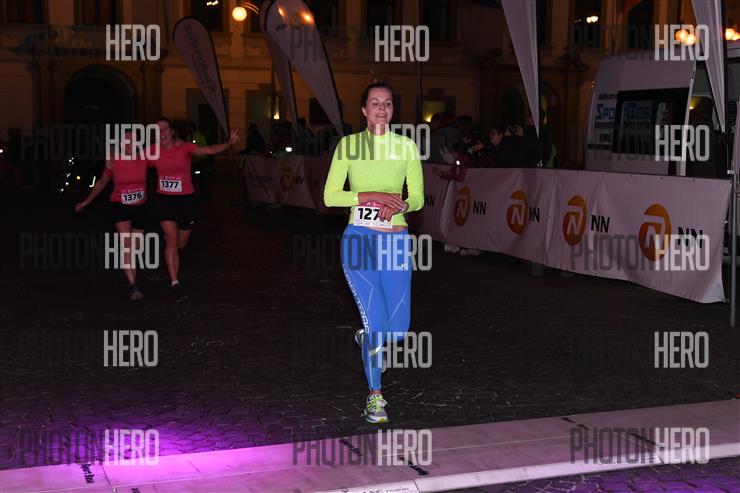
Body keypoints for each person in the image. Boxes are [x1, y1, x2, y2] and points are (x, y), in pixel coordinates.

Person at [323, 81, 424, 423]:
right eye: (375, 103)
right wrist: (370, 196)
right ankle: (375, 396)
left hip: (396, 243)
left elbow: (418, 198)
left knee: (398, 330)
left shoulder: (406, 147)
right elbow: (330, 196)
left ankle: (367, 335)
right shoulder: (349, 146)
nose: (382, 108)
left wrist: (403, 204)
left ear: (393, 109)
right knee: (378, 325)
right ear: (364, 110)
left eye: (388, 103)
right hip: (360, 242)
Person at [148, 117, 240, 302]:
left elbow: (208, 150)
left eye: (164, 129)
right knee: (172, 241)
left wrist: (228, 144)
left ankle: (172, 243)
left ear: (172, 131)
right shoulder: (152, 150)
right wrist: (112, 159)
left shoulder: (185, 148)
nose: (161, 133)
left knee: (180, 244)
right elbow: (133, 159)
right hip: (164, 199)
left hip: (185, 200)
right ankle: (175, 283)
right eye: (157, 130)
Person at [75, 130, 149, 301]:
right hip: (120, 204)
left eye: (133, 140)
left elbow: (165, 160)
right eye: (126, 140)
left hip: (141, 206)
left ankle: (134, 280)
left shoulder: (145, 157)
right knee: (127, 245)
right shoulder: (114, 159)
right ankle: (134, 286)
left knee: (136, 247)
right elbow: (102, 181)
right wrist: (87, 201)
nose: (129, 143)